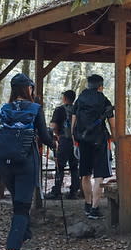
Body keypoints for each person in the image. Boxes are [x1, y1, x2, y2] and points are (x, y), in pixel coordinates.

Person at [0, 73, 56, 250]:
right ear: (28, 89)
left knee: (18, 202)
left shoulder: (4, 109)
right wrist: (54, 144)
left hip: (5, 164)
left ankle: (26, 239)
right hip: (27, 163)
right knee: (21, 207)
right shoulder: (35, 108)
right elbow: (45, 137)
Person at [72, 74, 115, 220]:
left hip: (83, 140)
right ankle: (95, 209)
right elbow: (111, 121)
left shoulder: (80, 99)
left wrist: (75, 138)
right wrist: (114, 137)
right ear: (100, 86)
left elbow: (74, 119)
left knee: (85, 174)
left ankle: (87, 204)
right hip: (99, 140)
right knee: (99, 176)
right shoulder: (104, 100)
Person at [47, 90, 80, 200]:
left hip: (64, 140)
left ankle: (56, 191)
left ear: (65, 98)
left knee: (60, 166)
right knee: (74, 167)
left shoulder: (59, 110)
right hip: (75, 141)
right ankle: (74, 191)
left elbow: (54, 125)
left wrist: (57, 135)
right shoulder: (77, 109)